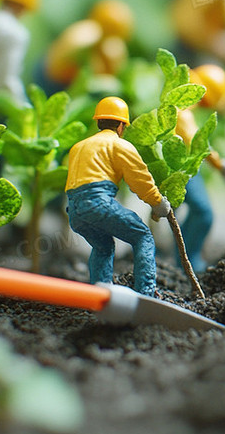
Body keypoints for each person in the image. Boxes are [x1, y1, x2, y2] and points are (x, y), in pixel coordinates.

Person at [65, 96, 170, 297]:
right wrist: (157, 203)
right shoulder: (119, 145)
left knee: (103, 246)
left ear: (98, 122)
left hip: (75, 211)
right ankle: (146, 294)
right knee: (142, 236)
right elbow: (140, 179)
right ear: (122, 125)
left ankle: (99, 293)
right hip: (98, 203)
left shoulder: (78, 147)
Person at [174, 64, 225, 272]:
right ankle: (190, 263)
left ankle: (183, 261)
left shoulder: (182, 103)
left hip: (182, 165)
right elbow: (196, 141)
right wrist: (219, 163)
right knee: (204, 213)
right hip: (181, 167)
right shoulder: (183, 111)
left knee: (188, 213)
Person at [37, 0, 134, 95]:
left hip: (73, 87)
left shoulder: (115, 49)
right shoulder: (82, 37)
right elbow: (56, 62)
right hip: (53, 78)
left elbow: (113, 74)